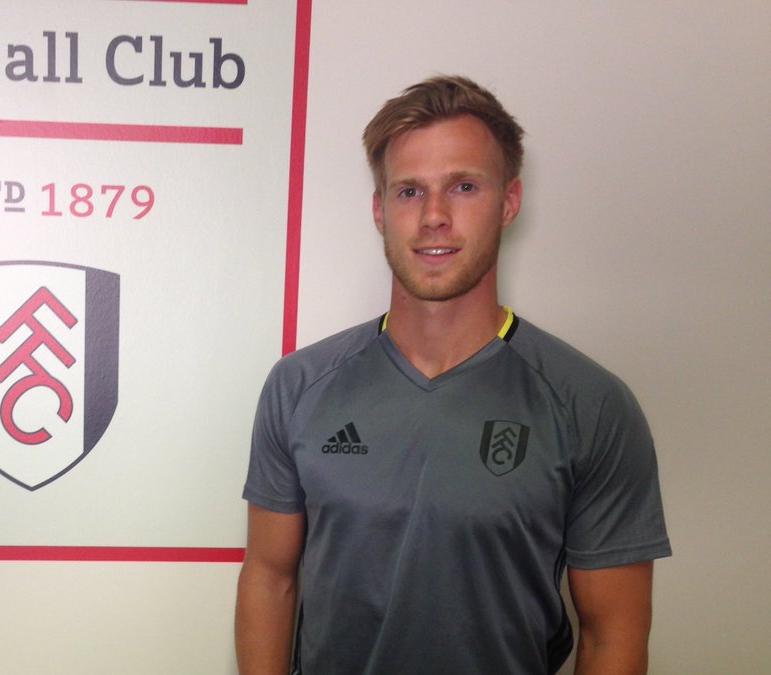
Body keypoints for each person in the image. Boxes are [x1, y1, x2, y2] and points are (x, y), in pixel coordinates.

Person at [235, 75, 671, 675]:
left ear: (509, 202)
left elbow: (612, 635)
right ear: (379, 210)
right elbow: (270, 579)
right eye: (409, 191)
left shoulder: (590, 404)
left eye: (464, 187)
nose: (434, 216)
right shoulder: (299, 386)